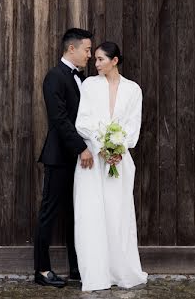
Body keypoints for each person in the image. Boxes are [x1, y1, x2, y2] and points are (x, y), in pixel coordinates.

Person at [73, 41, 147, 292]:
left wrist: (118, 149)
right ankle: (96, 273)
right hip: (93, 158)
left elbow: (133, 125)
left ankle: (121, 269)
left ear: (114, 61)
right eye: (94, 59)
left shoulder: (133, 89)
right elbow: (82, 121)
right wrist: (101, 145)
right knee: (92, 213)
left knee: (118, 213)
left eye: (101, 60)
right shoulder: (90, 85)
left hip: (119, 159)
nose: (96, 64)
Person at [33, 28, 95, 288]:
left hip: (77, 158)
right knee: (49, 212)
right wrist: (81, 148)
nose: (90, 55)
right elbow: (59, 119)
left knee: (75, 214)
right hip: (60, 156)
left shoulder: (82, 78)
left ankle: (76, 267)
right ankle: (42, 270)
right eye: (87, 50)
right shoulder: (54, 77)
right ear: (72, 49)